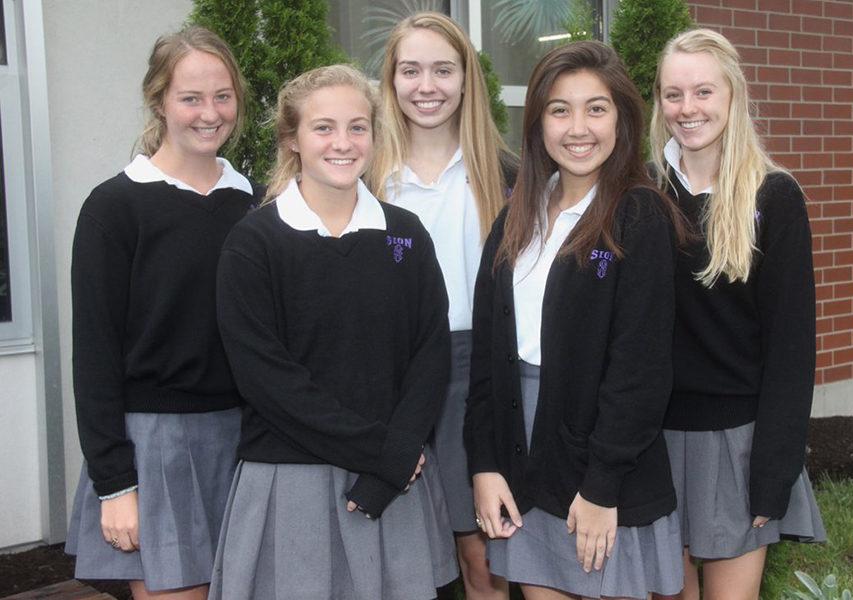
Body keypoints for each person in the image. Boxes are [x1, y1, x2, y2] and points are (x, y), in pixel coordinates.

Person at [209, 64, 457, 600]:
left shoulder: (405, 235)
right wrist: (381, 451)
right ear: (292, 139)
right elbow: (265, 378)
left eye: (357, 127)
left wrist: (391, 464)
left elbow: (431, 352)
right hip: (293, 478)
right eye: (323, 128)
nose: (342, 143)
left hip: (395, 482)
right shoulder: (254, 244)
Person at [464, 40, 687, 600]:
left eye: (596, 108)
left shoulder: (638, 214)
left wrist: (601, 486)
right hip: (524, 462)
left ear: (622, 120)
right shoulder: (517, 216)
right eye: (559, 110)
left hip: (602, 469)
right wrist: (485, 464)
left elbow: (640, 368)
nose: (577, 127)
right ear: (538, 122)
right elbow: (489, 359)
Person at [65, 26, 261, 600]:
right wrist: (115, 482)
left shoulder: (247, 201)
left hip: (244, 441)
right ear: (159, 100)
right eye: (190, 97)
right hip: (153, 449)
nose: (209, 113)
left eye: (222, 96)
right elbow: (94, 355)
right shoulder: (115, 207)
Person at [649, 28, 826, 600]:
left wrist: (773, 470)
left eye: (703, 92)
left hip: (737, 441)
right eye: (673, 94)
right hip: (650, 437)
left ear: (733, 95)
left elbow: (792, 349)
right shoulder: (641, 194)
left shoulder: (773, 197)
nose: (687, 109)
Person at [367, 12, 517, 599]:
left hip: (473, 376)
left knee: (483, 556)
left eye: (443, 70)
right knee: (393, 554)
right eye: (411, 70)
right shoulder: (365, 176)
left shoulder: (507, 177)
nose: (426, 86)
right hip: (386, 378)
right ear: (391, 80)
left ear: (467, 80)